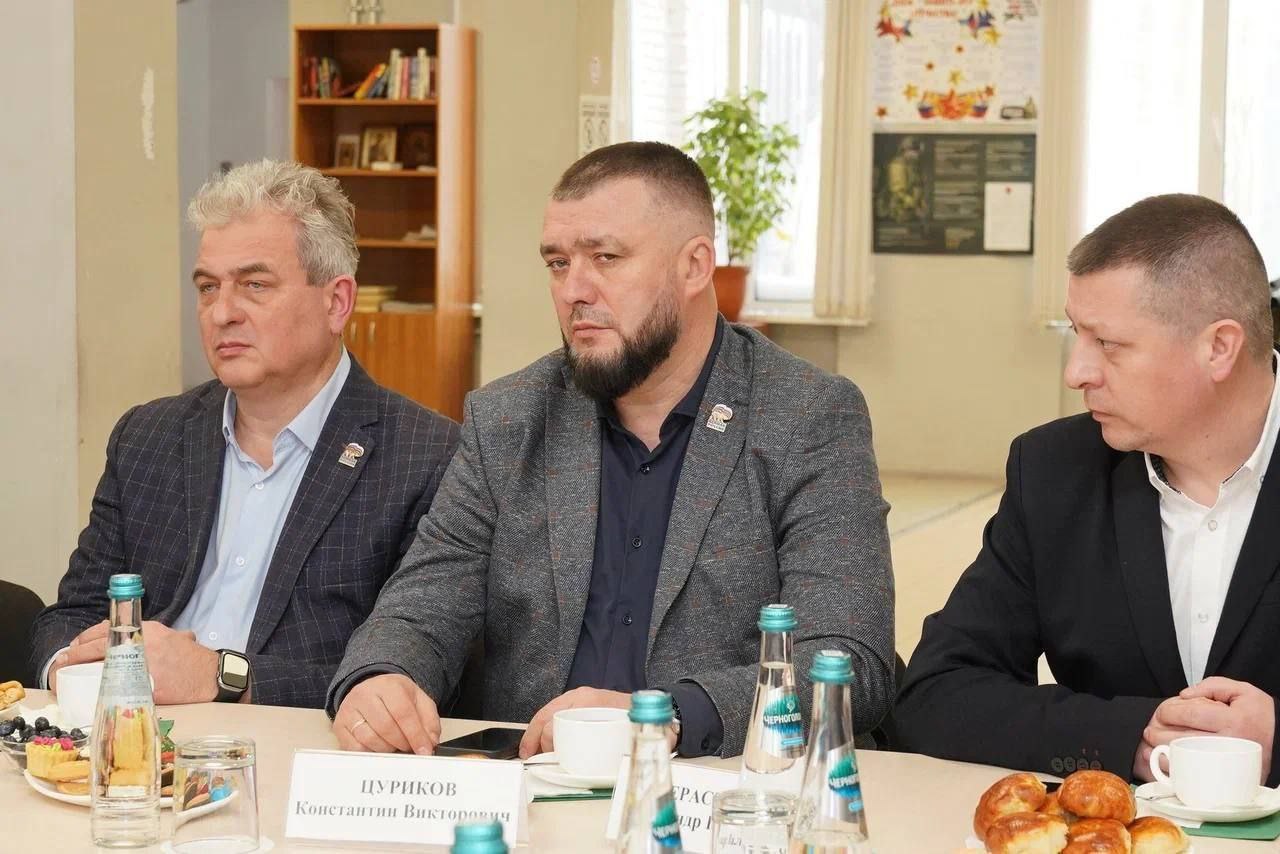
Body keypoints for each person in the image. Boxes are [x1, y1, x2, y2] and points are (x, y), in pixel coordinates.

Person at [326, 141, 895, 759]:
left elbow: (847, 662)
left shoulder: (806, 416)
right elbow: (421, 606)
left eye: (606, 257)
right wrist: (381, 676)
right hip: (529, 782)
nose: (574, 289)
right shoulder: (509, 419)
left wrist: (666, 717)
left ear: (695, 266)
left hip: (717, 787)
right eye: (557, 263)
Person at [29, 160, 460, 708]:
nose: (222, 313)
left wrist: (222, 676)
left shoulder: (427, 457)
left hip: (288, 746)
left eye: (255, 285)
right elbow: (70, 618)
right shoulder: (148, 437)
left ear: (337, 302)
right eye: (208, 288)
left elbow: (404, 677)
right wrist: (76, 674)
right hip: (134, 735)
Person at [896, 193, 1280, 786]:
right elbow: (934, 695)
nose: (1076, 372)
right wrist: (1133, 740)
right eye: (1077, 335)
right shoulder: (1054, 472)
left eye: (1109, 344)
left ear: (1219, 347)